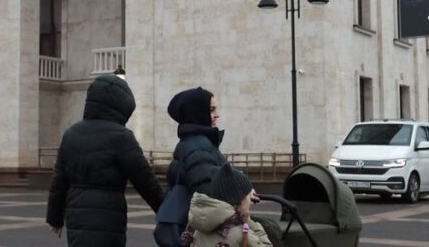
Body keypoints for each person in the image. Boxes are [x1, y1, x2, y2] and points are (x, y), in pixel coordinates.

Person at [46, 74, 164, 246]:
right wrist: (166, 211)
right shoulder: (121, 137)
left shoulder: (71, 134)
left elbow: (59, 180)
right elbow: (145, 180)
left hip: (76, 215)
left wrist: (54, 217)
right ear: (121, 106)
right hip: (108, 216)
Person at [158, 87, 226, 245]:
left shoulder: (194, 143)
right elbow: (210, 195)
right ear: (198, 113)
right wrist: (241, 195)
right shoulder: (198, 147)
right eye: (211, 109)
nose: (217, 115)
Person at [184, 164, 272, 247]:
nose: (250, 202)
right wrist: (247, 220)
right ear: (240, 202)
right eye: (249, 198)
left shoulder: (199, 230)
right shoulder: (241, 234)